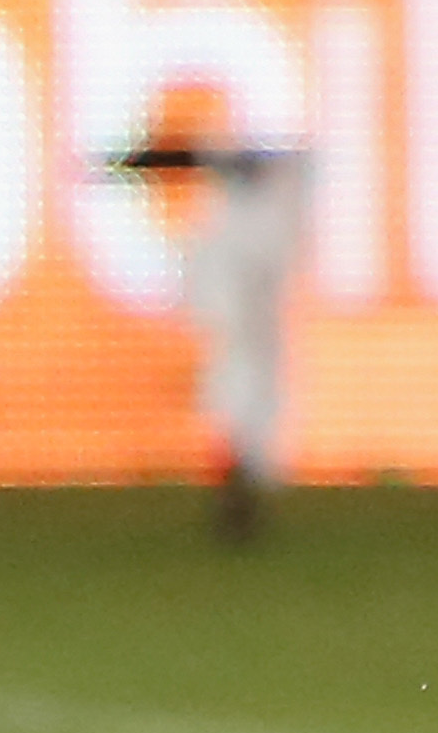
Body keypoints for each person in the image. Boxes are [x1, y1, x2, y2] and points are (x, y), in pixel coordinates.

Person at [108, 128, 306, 540]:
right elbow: (201, 157)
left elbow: (199, 156)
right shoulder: (271, 200)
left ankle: (242, 469)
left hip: (248, 287)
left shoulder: (275, 183)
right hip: (252, 290)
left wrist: (138, 162)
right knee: (248, 370)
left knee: (245, 369)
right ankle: (243, 469)